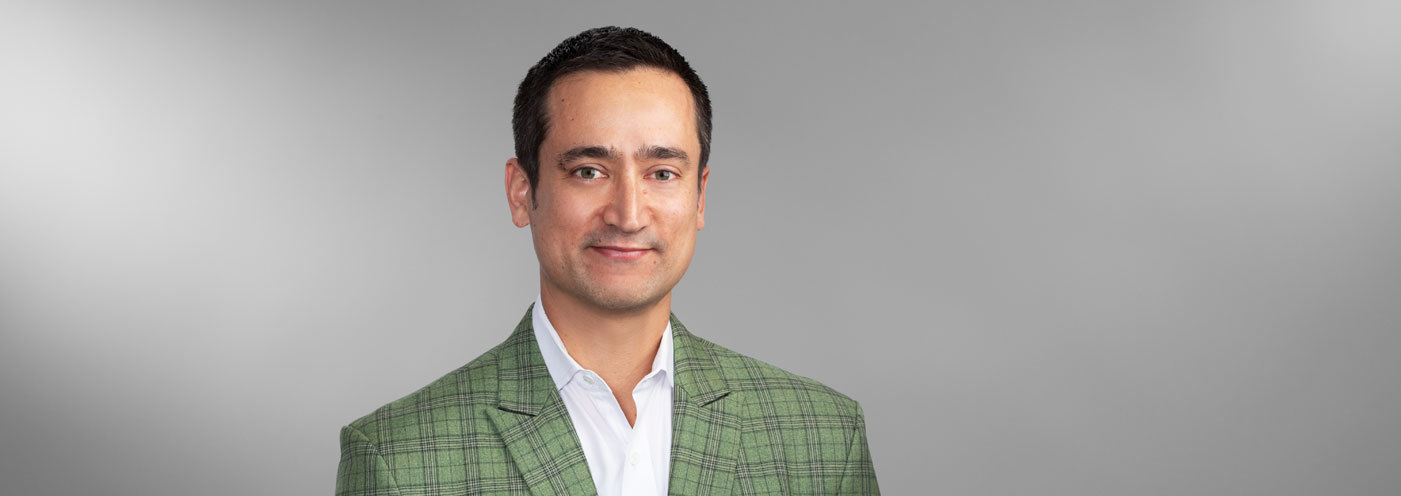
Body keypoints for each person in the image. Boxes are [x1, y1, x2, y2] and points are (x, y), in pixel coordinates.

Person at [335, 26, 879, 495]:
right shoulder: (397, 458)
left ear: (700, 197)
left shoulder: (824, 438)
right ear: (522, 192)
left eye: (662, 173)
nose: (628, 215)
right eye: (589, 171)